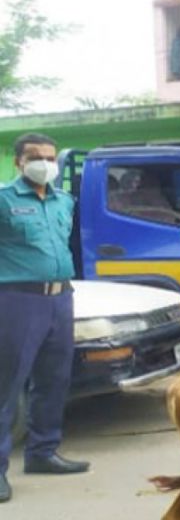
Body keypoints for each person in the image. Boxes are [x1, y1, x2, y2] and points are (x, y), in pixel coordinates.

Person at [0, 133, 90, 504]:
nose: (45, 163)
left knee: (54, 379)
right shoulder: (4, 199)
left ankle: (42, 452)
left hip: (61, 298)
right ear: (19, 162)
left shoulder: (63, 200)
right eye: (36, 157)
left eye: (51, 158)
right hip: (18, 300)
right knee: (7, 384)